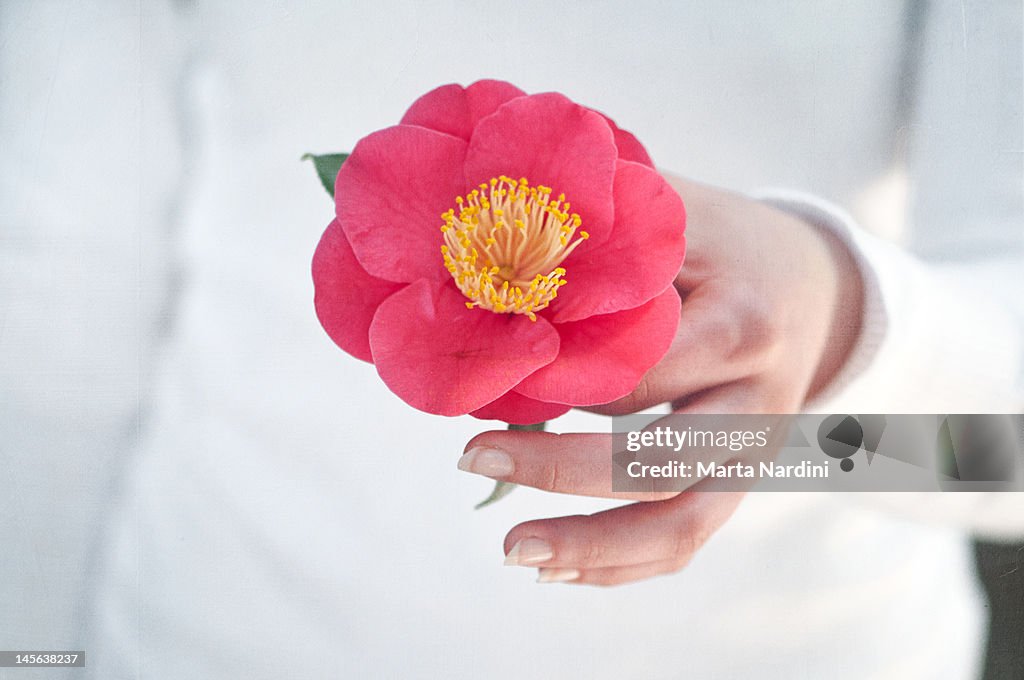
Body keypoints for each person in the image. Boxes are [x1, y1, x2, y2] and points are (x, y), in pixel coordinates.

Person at [1, 1, 1020, 678]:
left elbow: (1003, 459)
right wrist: (34, 653)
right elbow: (58, 281)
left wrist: (841, 322)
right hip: (204, 639)